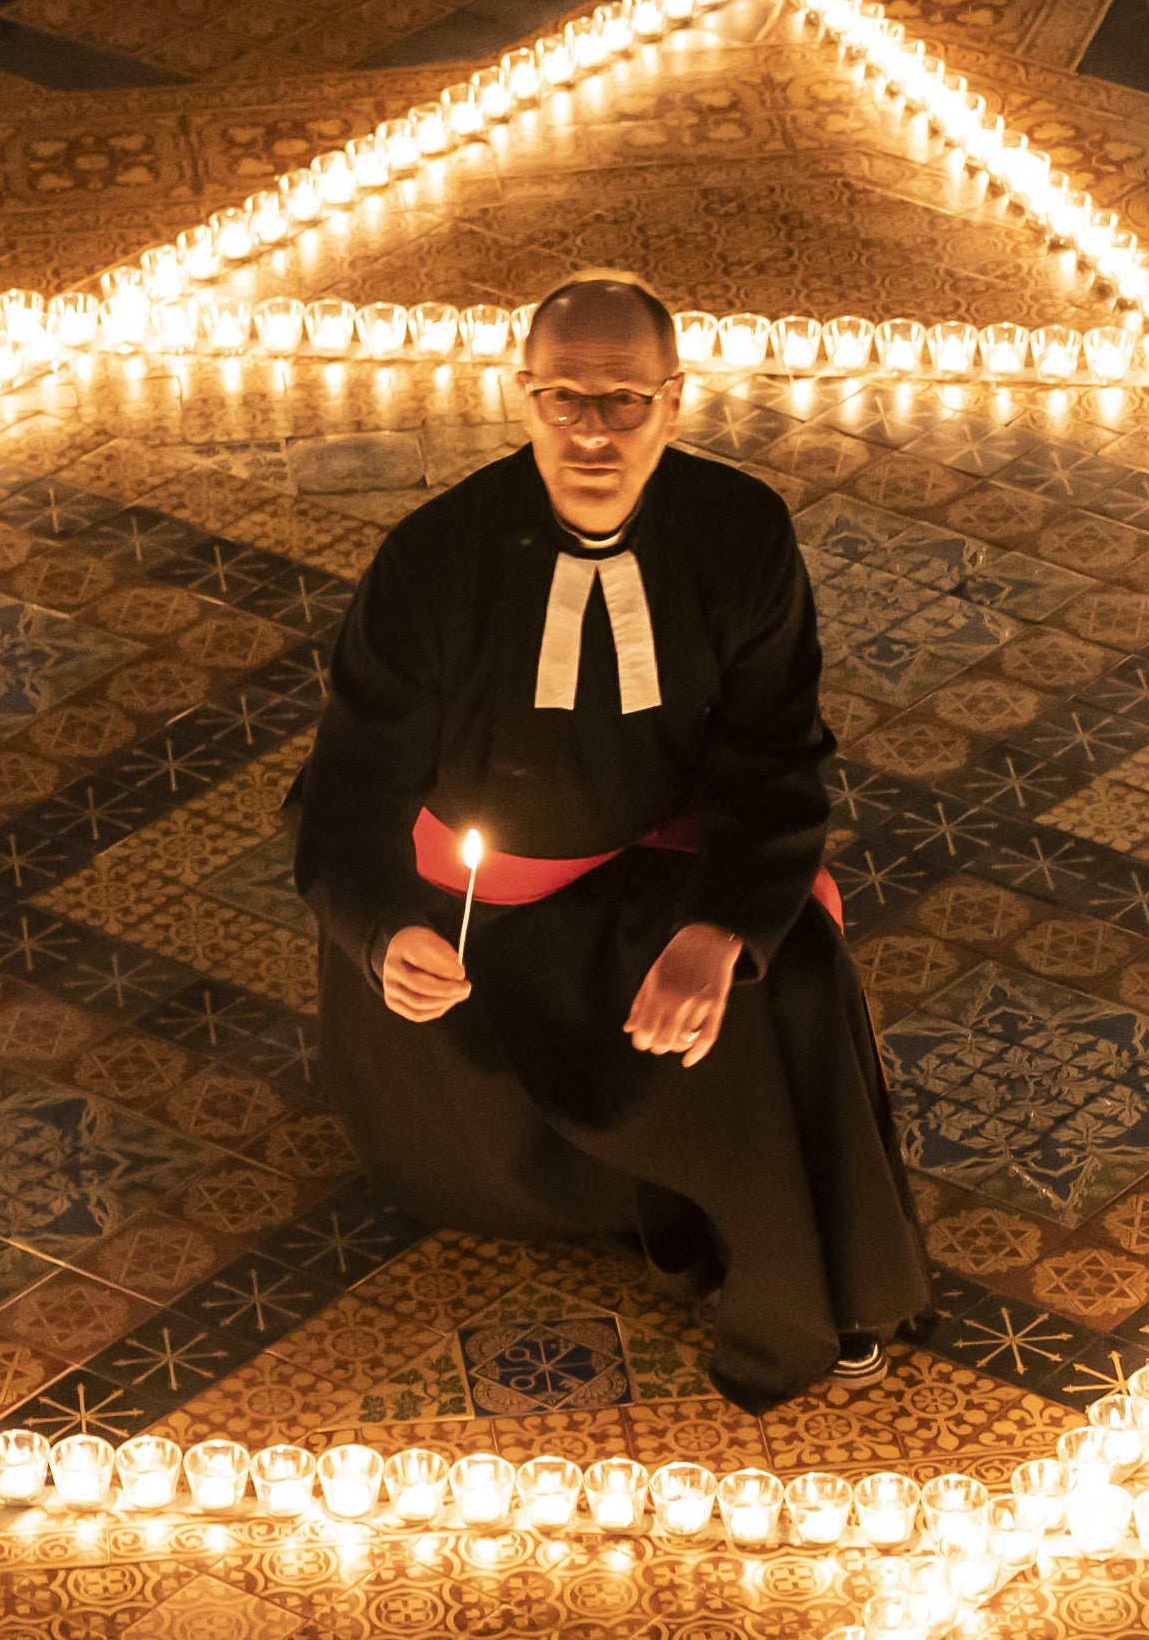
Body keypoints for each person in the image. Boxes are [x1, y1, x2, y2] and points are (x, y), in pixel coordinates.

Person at [290, 270, 928, 1412]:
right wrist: (382, 934)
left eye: (624, 401)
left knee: (797, 976)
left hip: (652, 870)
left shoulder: (738, 535)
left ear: (674, 402)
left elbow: (772, 756)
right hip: (478, 921)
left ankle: (821, 1293)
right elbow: (345, 789)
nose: (593, 432)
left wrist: (722, 928)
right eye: (566, 398)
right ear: (524, 396)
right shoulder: (435, 559)